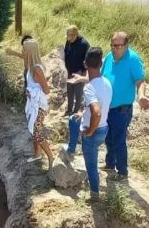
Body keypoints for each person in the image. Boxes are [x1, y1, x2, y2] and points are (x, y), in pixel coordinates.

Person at [62, 47, 111, 199]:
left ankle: (95, 195)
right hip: (104, 129)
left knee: (91, 166)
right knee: (73, 119)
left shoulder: (89, 88)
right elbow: (99, 106)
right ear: (101, 63)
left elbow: (97, 111)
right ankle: (71, 149)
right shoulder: (107, 82)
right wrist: (83, 113)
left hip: (94, 132)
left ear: (85, 64)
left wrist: (90, 131)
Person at [102, 31, 149, 181]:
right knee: (108, 138)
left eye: (119, 46)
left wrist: (141, 95)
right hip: (107, 108)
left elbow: (140, 81)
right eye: (113, 45)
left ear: (126, 45)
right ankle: (110, 164)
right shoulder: (109, 57)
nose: (115, 48)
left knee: (118, 141)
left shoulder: (133, 59)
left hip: (121, 110)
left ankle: (122, 172)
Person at [21, 39, 54, 168]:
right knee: (33, 130)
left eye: (24, 50)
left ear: (29, 52)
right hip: (34, 104)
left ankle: (51, 158)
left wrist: (32, 93)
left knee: (37, 133)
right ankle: (37, 154)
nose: (22, 52)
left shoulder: (36, 69)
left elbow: (46, 90)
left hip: (39, 106)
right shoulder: (30, 67)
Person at [62, 26, 90, 117]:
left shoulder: (84, 44)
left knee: (78, 94)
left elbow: (88, 60)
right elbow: (66, 54)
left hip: (79, 73)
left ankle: (76, 113)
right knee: (70, 93)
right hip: (70, 72)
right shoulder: (68, 42)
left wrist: (82, 71)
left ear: (75, 35)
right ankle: (69, 110)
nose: (68, 38)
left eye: (69, 36)